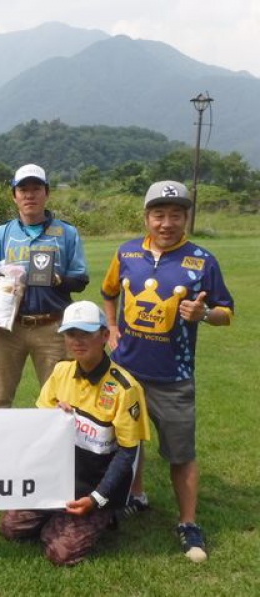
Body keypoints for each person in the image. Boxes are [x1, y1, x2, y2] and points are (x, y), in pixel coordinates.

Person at [101, 180, 234, 562]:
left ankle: (188, 522)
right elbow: (109, 291)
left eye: (176, 215)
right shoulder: (126, 252)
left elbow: (226, 312)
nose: (167, 222)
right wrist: (111, 328)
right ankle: (136, 497)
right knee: (128, 442)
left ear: (185, 218)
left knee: (180, 453)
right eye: (159, 214)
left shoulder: (202, 260)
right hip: (126, 372)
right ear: (147, 217)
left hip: (173, 378)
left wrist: (205, 314)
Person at [0, 300, 150, 566]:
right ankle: (62, 517)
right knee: (11, 528)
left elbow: (128, 453)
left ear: (104, 336)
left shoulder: (125, 388)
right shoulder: (61, 371)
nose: (77, 341)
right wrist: (54, 417)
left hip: (93, 488)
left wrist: (96, 499)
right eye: (71, 334)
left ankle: (105, 514)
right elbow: (40, 429)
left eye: (86, 333)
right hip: (58, 479)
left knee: (61, 552)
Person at [0, 163, 88, 408]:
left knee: (58, 402)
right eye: (23, 190)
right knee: (0, 400)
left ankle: (57, 448)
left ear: (47, 193)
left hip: (52, 326)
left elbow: (81, 280)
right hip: (9, 327)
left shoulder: (66, 233)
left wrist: (58, 279)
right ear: (14, 196)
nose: (29, 195)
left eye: (36, 189)